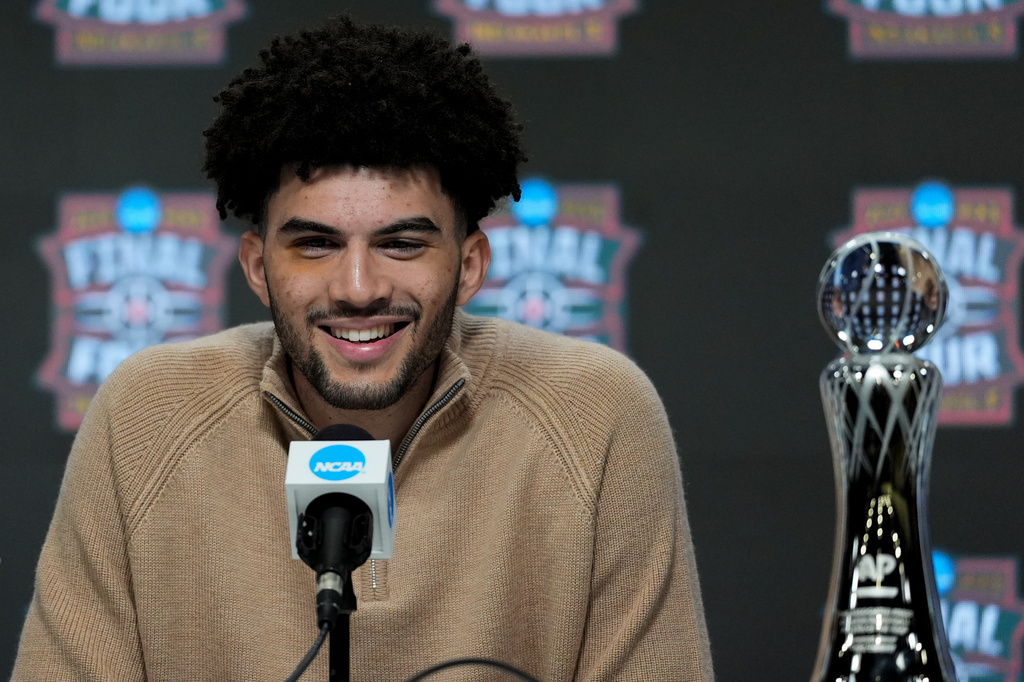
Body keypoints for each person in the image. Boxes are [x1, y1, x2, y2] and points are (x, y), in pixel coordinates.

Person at [13, 15, 713, 681]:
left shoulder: (597, 415)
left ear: (471, 264)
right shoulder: (146, 417)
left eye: (401, 243)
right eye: (315, 244)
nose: (357, 289)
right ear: (256, 266)